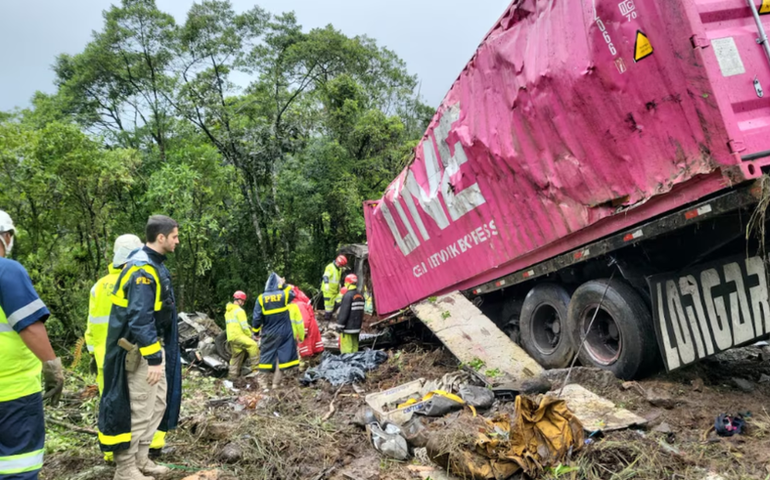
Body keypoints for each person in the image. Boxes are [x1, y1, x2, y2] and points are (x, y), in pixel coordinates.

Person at [98, 215, 182, 480]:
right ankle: (125, 469)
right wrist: (155, 358)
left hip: (155, 348)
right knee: (139, 407)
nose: (177, 241)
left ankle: (142, 459)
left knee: (156, 405)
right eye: (175, 236)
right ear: (161, 237)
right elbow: (139, 318)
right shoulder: (142, 271)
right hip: (142, 354)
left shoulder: (154, 265)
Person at [0, 210, 64, 480]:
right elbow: (29, 325)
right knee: (18, 467)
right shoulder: (7, 270)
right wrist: (53, 369)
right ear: (5, 237)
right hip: (11, 392)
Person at [87, 235, 143, 394]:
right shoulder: (137, 280)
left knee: (109, 406)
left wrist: (92, 352)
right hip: (131, 358)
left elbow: (91, 325)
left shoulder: (98, 286)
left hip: (104, 358)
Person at [252, 273, 297, 391]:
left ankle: (263, 385)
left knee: (266, 357)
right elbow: (293, 293)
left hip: (269, 332)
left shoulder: (261, 298)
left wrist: (256, 332)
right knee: (282, 357)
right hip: (285, 333)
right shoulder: (283, 295)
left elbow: (256, 318)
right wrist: (284, 285)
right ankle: (276, 384)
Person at [226, 291, 259, 379]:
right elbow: (244, 326)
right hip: (239, 336)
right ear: (239, 300)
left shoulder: (228, 311)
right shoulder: (240, 311)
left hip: (231, 338)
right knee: (253, 345)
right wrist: (251, 335)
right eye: (243, 301)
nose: (243, 303)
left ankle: (231, 377)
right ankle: (256, 370)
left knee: (236, 357)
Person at [334, 274, 365, 354]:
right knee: (355, 350)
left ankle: (348, 365)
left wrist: (340, 326)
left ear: (347, 283)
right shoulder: (360, 295)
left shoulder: (347, 296)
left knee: (347, 352)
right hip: (357, 328)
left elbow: (344, 312)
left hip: (347, 329)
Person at [294, 287, 324, 358]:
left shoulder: (298, 305)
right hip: (309, 327)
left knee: (306, 351)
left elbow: (304, 319)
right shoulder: (300, 303)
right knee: (311, 350)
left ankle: (305, 366)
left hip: (306, 329)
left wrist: (303, 331)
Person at [321, 255, 347, 324]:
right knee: (328, 308)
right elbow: (325, 276)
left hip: (335, 290)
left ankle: (332, 316)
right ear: (338, 263)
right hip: (328, 290)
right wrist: (326, 284)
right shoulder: (330, 267)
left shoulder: (339, 269)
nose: (341, 267)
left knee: (340, 301)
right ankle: (327, 321)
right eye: (341, 265)